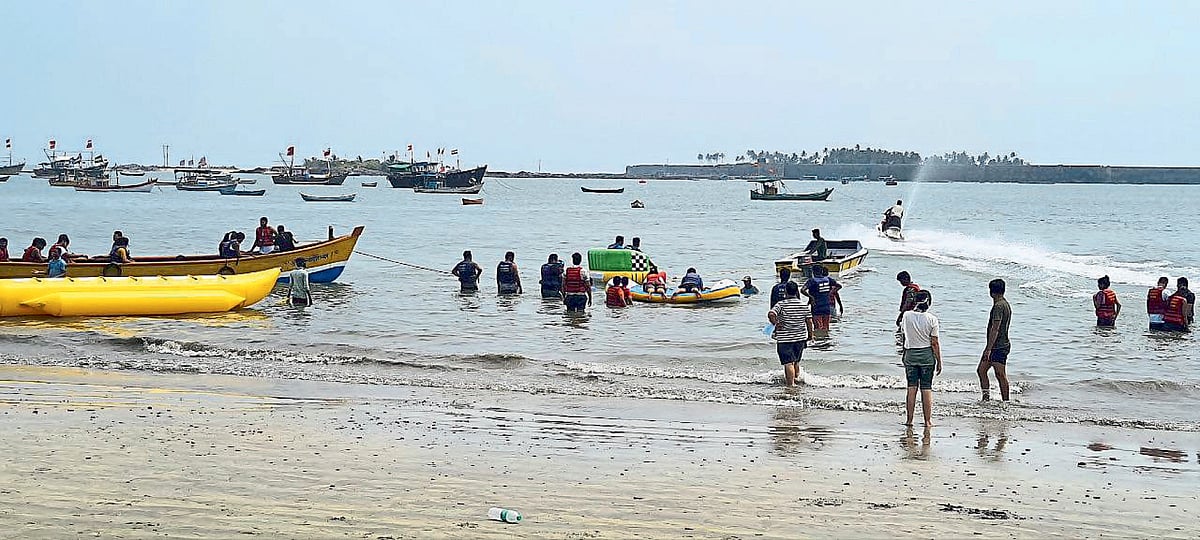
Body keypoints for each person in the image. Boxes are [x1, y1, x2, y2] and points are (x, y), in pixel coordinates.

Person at [900, 290, 941, 425]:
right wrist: (939, 361)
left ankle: (909, 419)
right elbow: (934, 343)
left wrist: (904, 353)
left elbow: (904, 336)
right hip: (926, 356)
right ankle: (927, 421)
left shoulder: (906, 315)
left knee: (911, 388)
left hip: (910, 354)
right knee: (926, 388)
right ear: (929, 303)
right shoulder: (932, 319)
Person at [767, 281, 813, 387]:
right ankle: (796, 380)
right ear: (797, 292)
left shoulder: (781, 304)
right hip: (800, 338)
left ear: (786, 292)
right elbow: (809, 322)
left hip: (785, 339)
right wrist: (810, 335)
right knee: (796, 361)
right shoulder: (803, 305)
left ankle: (790, 385)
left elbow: (771, 314)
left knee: (788, 363)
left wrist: (775, 323)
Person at [978, 279, 1012, 402]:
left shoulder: (998, 306)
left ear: (992, 292)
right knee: (981, 370)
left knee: (1000, 374)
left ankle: (1006, 401)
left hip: (999, 346)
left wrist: (988, 349)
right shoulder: (1005, 304)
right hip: (997, 345)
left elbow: (995, 328)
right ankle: (986, 398)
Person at [802, 265, 839, 338]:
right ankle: (825, 341)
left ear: (813, 272)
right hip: (826, 307)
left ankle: (819, 342)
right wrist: (830, 293)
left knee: (817, 328)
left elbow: (802, 290)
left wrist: (811, 297)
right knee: (826, 328)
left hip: (816, 308)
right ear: (821, 271)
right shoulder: (828, 279)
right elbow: (838, 286)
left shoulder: (812, 281)